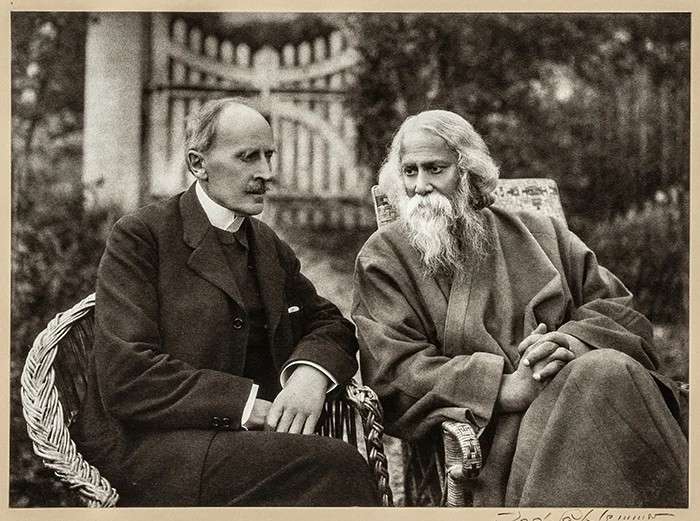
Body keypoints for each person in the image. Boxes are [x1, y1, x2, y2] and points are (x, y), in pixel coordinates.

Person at [351, 109, 687, 507]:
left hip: (582, 393)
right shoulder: (384, 256)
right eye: (410, 171)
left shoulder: (541, 232)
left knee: (603, 370)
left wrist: (569, 345)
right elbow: (392, 370)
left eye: (435, 169)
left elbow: (619, 312)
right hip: (492, 432)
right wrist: (504, 388)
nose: (421, 186)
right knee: (607, 373)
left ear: (467, 172)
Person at [72, 98, 379, 507]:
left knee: (328, 468)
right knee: (337, 466)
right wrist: (246, 406)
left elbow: (329, 322)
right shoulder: (141, 237)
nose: (266, 172)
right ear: (198, 164)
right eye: (248, 157)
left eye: (268, 156)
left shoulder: (264, 243)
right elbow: (127, 374)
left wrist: (309, 375)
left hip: (235, 447)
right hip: (150, 446)